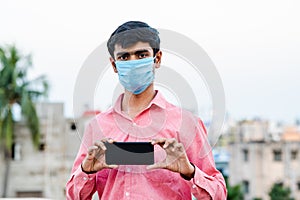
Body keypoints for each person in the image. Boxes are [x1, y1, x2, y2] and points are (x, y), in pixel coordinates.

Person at [66, 21, 227, 200]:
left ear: (157, 59)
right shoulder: (97, 127)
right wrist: (86, 170)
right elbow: (74, 196)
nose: (133, 62)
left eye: (141, 55)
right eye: (124, 57)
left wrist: (189, 171)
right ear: (114, 65)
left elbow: (218, 194)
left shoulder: (187, 124)